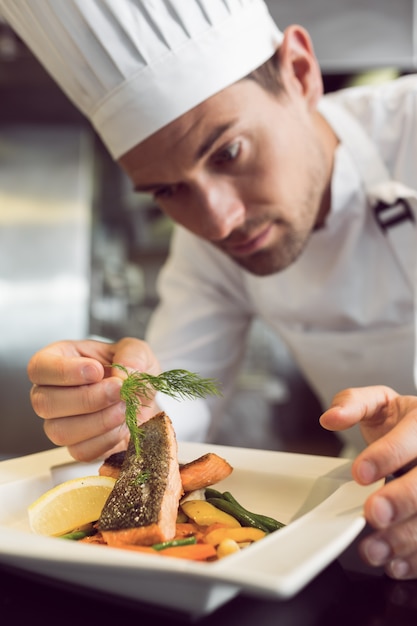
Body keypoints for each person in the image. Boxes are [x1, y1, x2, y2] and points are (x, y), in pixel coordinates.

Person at [1, 0, 417, 580]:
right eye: (169, 191)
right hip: (367, 523)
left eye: (228, 152)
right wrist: (112, 398)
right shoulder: (209, 245)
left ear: (299, 72)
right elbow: (181, 398)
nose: (218, 221)